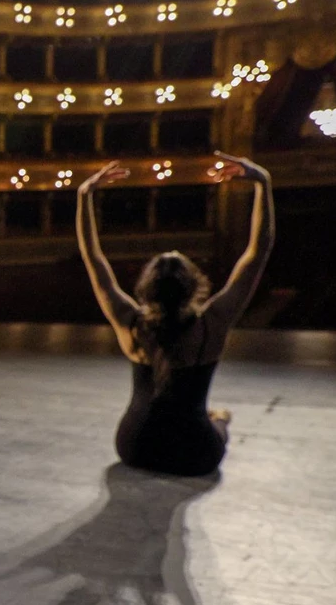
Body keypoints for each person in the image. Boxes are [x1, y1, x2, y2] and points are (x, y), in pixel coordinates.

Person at [76, 153, 275, 476]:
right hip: (194, 454)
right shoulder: (213, 323)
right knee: (220, 420)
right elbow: (258, 252)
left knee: (205, 417)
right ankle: (219, 419)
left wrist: (84, 195)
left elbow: (93, 258)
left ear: (147, 287)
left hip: (134, 446)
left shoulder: (131, 323)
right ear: (194, 284)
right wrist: (262, 183)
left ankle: (215, 418)